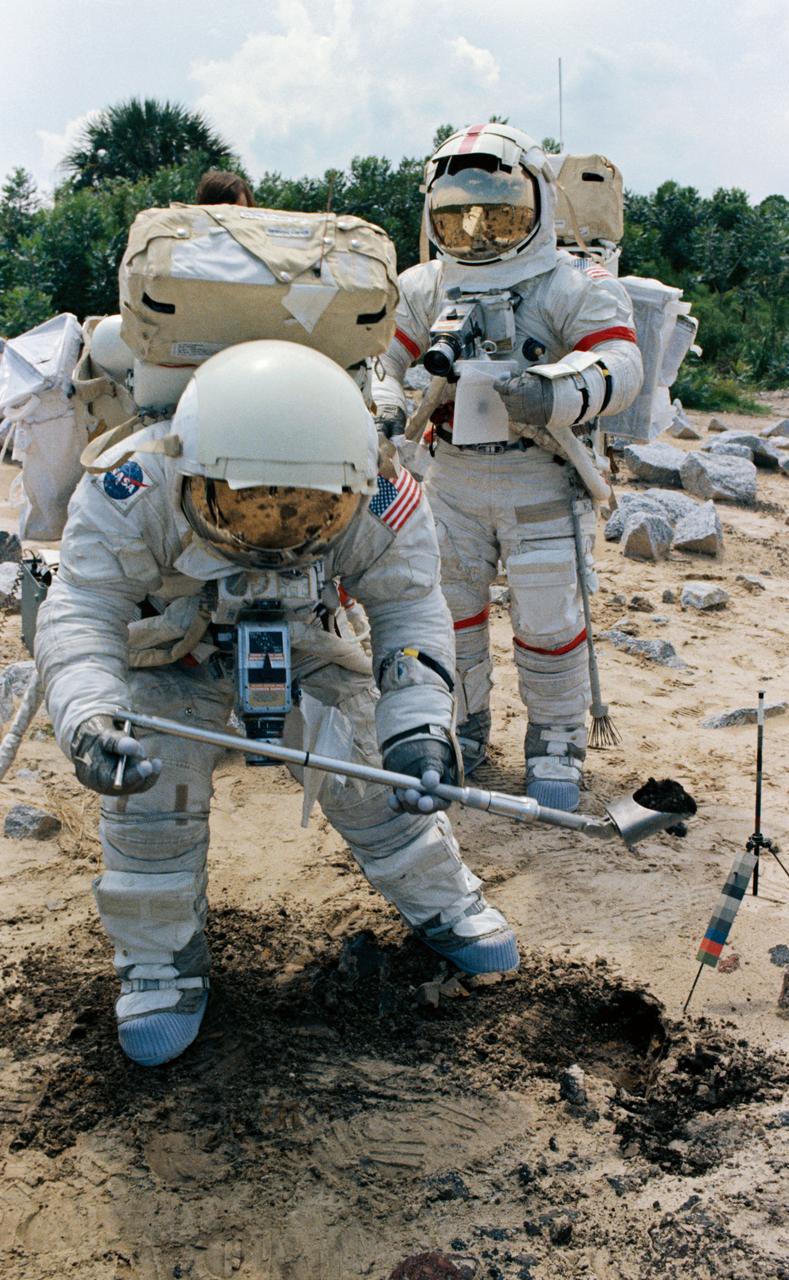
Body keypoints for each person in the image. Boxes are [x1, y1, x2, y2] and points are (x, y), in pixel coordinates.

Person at [35, 340, 518, 1068]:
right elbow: (82, 610)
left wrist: (419, 725)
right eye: (249, 507)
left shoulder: (378, 492)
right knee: (150, 791)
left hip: (305, 632)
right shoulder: (133, 484)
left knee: (371, 773)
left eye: (305, 513)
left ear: (348, 485)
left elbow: (409, 611)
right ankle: (160, 962)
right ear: (193, 472)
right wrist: (89, 717)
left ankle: (442, 903)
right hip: (169, 646)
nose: (275, 530)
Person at [373, 123, 643, 812]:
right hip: (452, 478)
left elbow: (621, 363)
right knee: (446, 616)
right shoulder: (423, 287)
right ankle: (457, 730)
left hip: (541, 475)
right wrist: (379, 403)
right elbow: (382, 358)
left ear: (538, 205)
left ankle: (555, 742)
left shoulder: (571, 282)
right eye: (460, 214)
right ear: (434, 215)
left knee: (548, 622)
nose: (481, 230)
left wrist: (553, 391)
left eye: (499, 211)